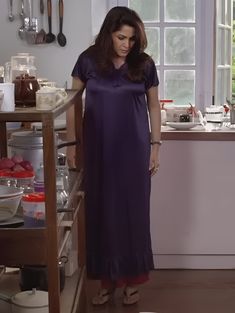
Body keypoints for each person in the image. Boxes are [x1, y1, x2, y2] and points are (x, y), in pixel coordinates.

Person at [66, 6, 161, 306]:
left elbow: (154, 107)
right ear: (109, 33)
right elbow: (72, 104)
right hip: (98, 151)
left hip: (134, 152)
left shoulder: (144, 64)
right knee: (101, 214)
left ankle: (132, 282)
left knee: (133, 215)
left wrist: (155, 146)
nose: (126, 44)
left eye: (132, 39)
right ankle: (106, 282)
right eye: (121, 37)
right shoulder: (88, 60)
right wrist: (71, 145)